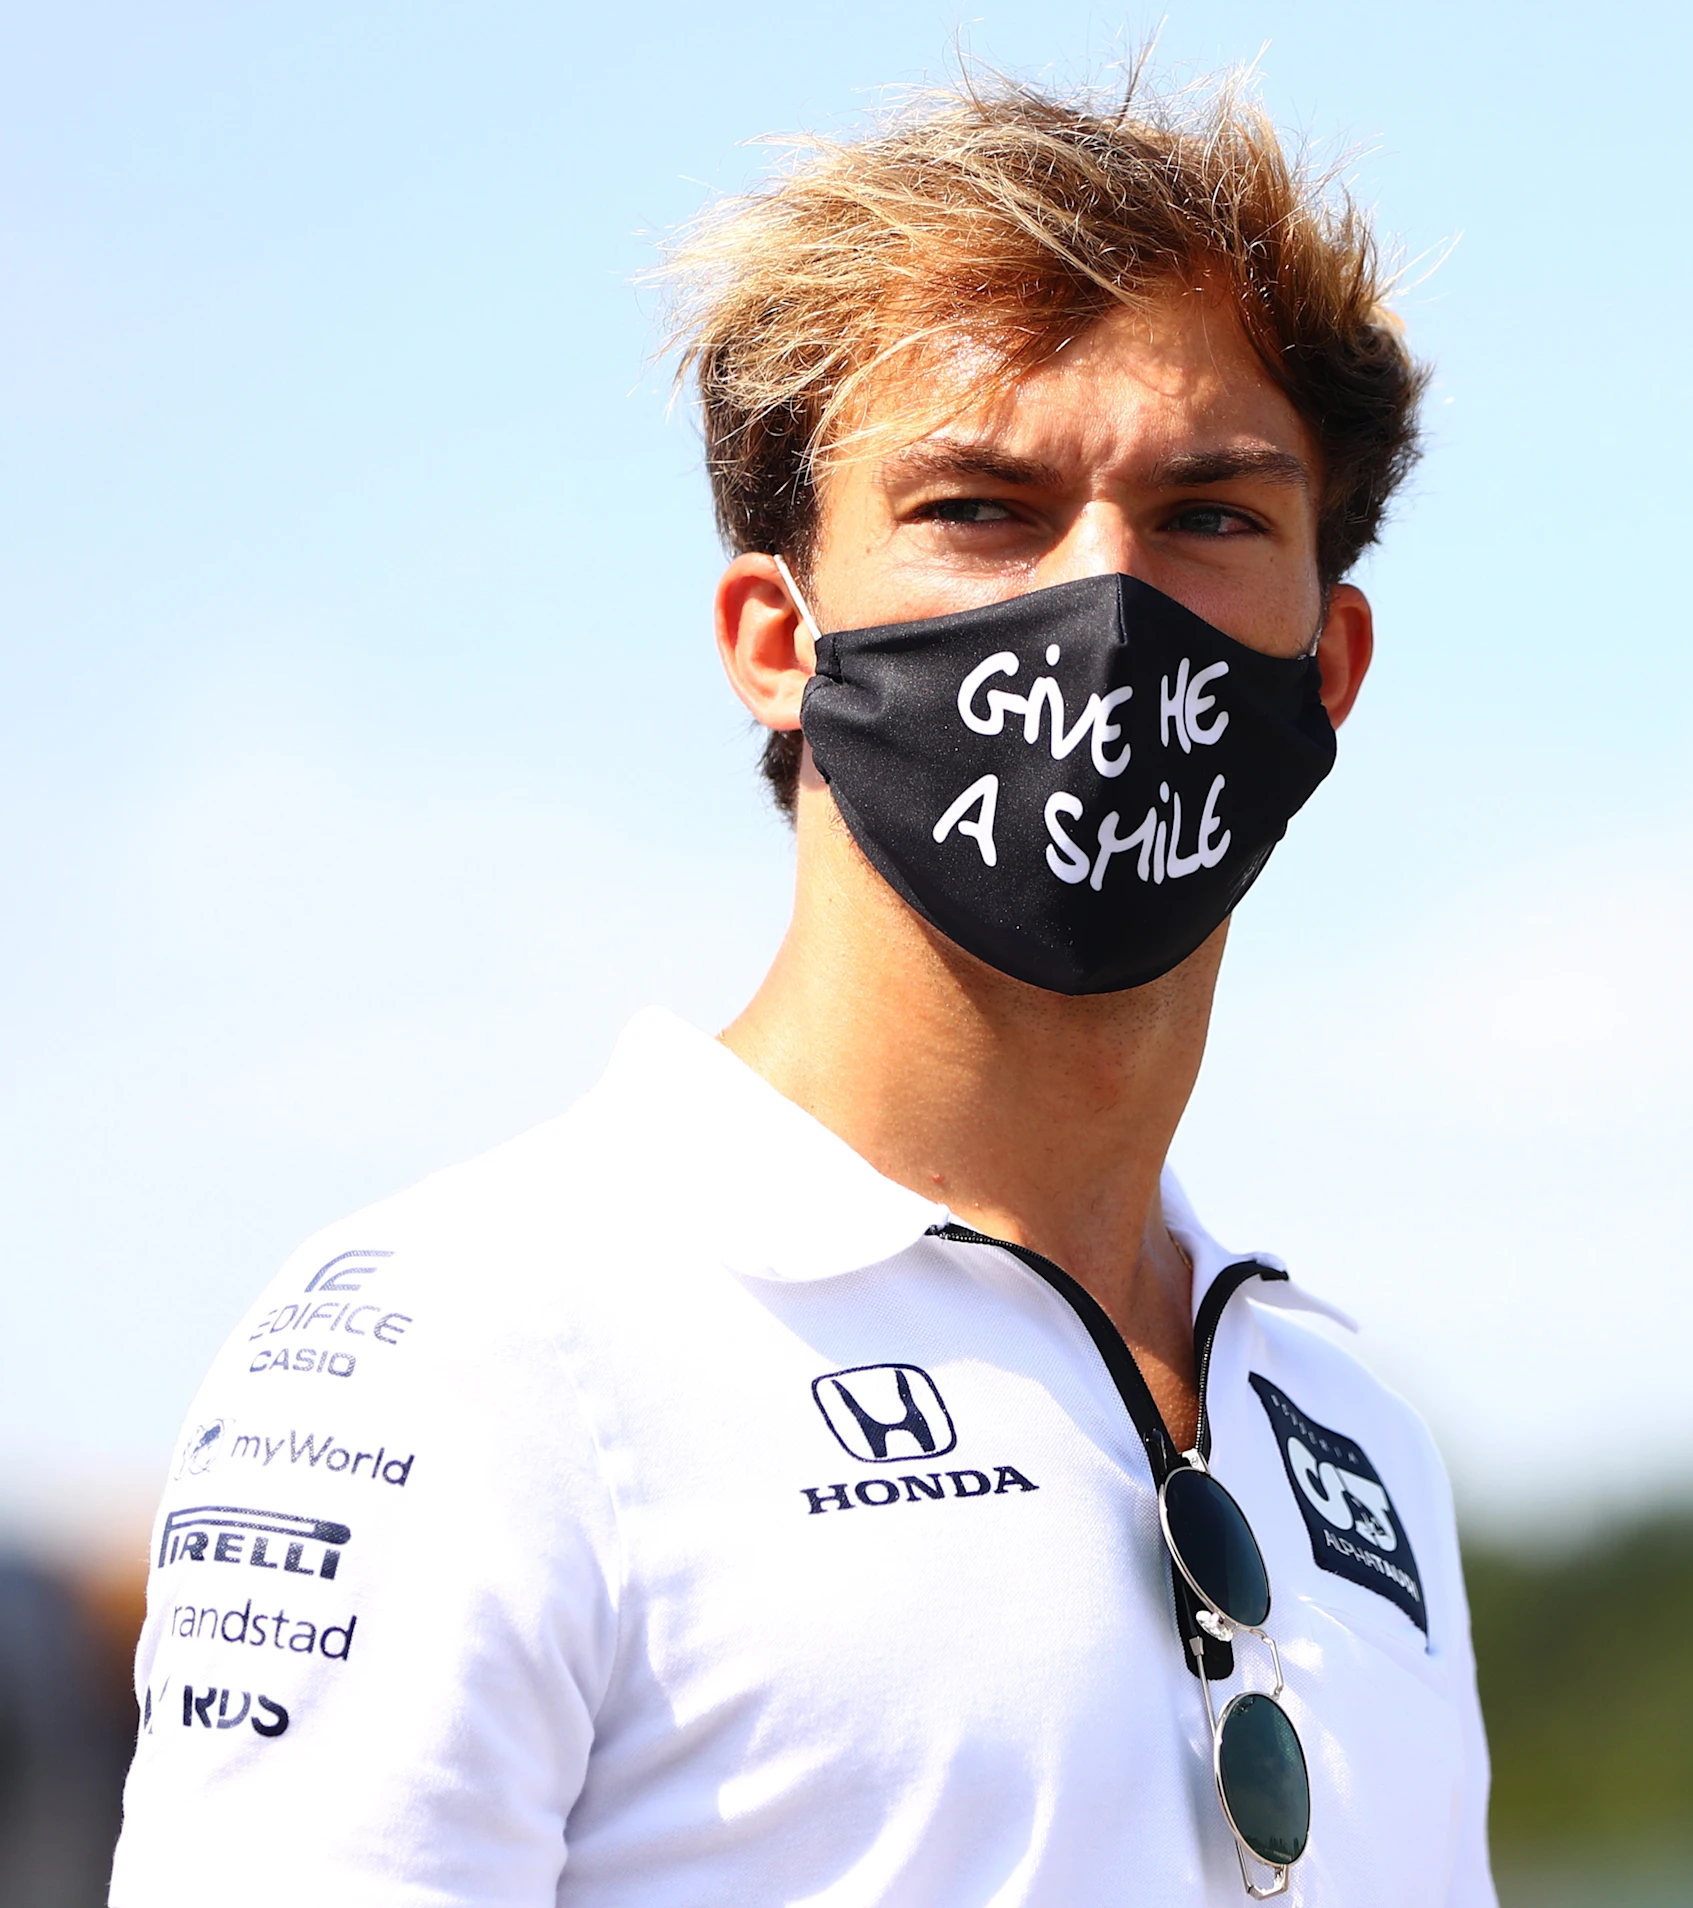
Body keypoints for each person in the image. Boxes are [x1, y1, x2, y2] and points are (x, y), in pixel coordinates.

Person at [110, 67, 1494, 1907]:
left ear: (1329, 665)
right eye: (983, 508)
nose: (1107, 599)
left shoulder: (1350, 1429)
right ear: (777, 642)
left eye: (1210, 516)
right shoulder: (472, 1345)